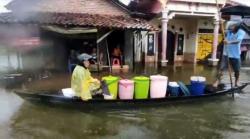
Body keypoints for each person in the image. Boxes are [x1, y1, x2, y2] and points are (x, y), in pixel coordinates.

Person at [213, 22, 246, 87]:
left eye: (232, 28)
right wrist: (220, 23)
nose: (230, 30)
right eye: (229, 28)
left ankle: (237, 82)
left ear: (237, 28)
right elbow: (221, 31)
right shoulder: (228, 31)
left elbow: (238, 41)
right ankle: (217, 81)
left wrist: (229, 42)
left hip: (235, 55)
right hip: (226, 53)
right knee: (221, 69)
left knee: (237, 70)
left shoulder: (241, 32)